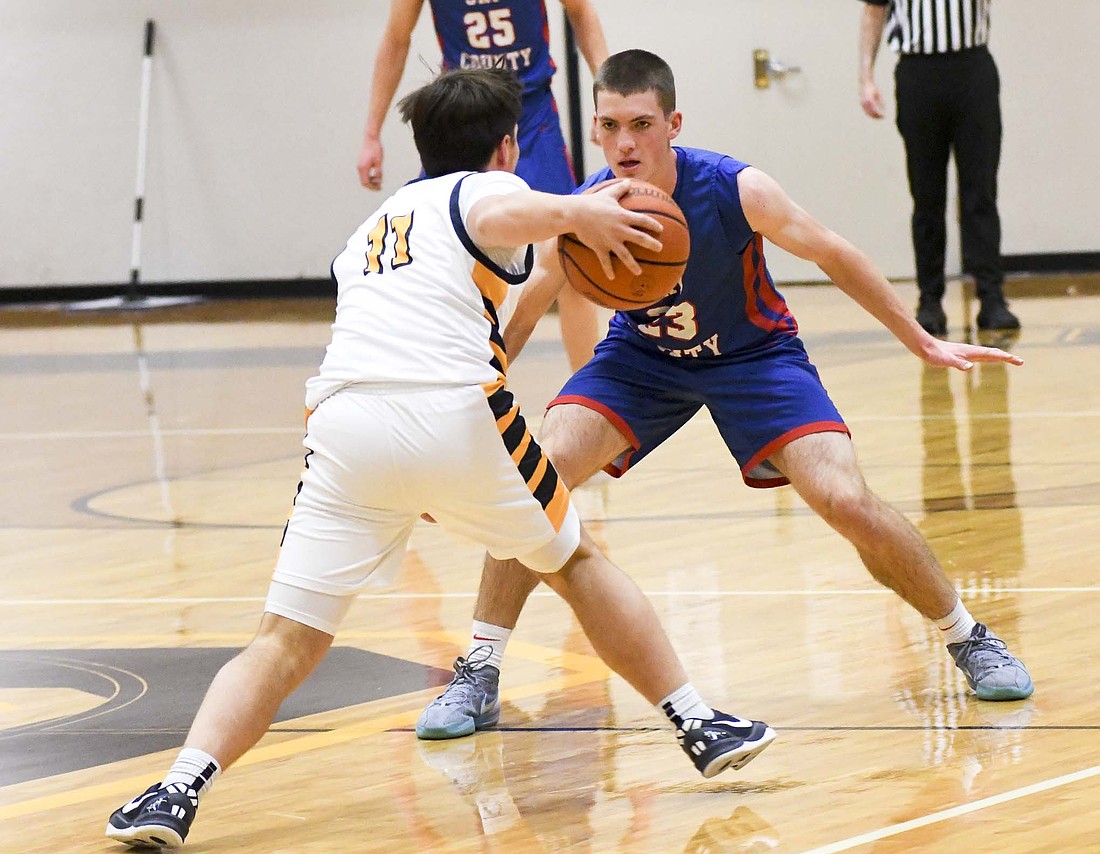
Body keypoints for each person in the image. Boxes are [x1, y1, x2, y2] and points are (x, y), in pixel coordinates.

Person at [104, 67, 775, 850]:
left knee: (283, 639)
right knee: (576, 562)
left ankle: (177, 789)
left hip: (345, 431)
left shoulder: (367, 232)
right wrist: (581, 211)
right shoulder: (476, 194)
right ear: (507, 144)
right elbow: (504, 206)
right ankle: (699, 723)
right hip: (453, 412)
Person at [415, 48, 1034, 743]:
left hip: (754, 356)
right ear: (595, 130)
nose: (625, 143)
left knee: (845, 499)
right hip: (641, 361)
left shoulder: (736, 189)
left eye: (642, 124)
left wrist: (921, 339)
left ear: (673, 123)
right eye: (611, 125)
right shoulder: (581, 212)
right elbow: (522, 316)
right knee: (536, 483)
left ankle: (967, 634)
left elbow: (830, 251)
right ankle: (480, 670)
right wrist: (458, 415)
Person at [357, 0, 608, 371]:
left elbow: (582, 12)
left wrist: (605, 98)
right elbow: (397, 38)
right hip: (464, 110)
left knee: (571, 252)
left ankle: (589, 388)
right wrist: (371, 133)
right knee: (440, 250)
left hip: (530, 108)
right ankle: (433, 373)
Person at [857, 0, 1020, 336]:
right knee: (927, 197)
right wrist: (866, 77)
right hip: (918, 74)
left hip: (972, 69)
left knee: (981, 193)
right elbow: (874, 12)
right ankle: (930, 300)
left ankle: (992, 299)